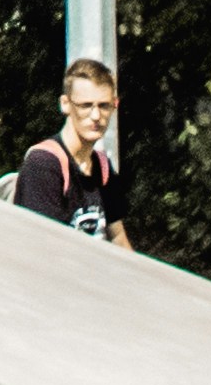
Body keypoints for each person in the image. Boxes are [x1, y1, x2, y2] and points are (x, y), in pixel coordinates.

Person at [14, 60, 131, 252]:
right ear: (65, 104)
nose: (96, 116)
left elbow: (118, 238)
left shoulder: (102, 166)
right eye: (86, 105)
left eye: (104, 106)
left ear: (114, 105)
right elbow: (41, 250)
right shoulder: (44, 164)